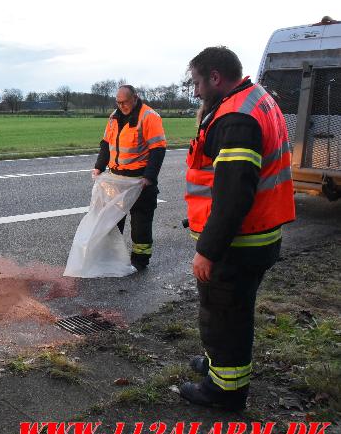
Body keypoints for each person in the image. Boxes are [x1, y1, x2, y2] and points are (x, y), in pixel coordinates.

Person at [180, 46, 295, 410]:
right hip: (257, 234)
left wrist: (208, 250)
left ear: (215, 77)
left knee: (225, 316)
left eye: (197, 83)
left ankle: (224, 392)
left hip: (238, 243)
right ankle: (219, 367)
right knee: (233, 312)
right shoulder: (256, 98)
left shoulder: (235, 119)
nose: (195, 91)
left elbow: (233, 196)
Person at [91, 85, 167, 270]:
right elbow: (106, 144)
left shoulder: (149, 116)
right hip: (116, 179)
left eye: (125, 102)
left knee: (140, 223)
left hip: (139, 180)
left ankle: (140, 261)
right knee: (113, 221)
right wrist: (99, 167)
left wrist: (149, 177)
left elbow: (158, 149)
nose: (121, 105)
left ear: (135, 98)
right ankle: (112, 257)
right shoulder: (114, 117)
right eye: (118, 102)